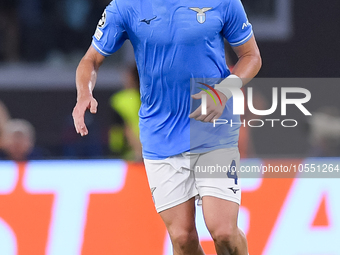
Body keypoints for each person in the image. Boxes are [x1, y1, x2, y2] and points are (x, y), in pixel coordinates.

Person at [73, 0, 261, 254]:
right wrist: (84, 93)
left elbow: (251, 56)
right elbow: (91, 60)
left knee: (224, 232)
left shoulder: (223, 2)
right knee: (183, 238)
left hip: (212, 128)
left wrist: (223, 93)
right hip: (160, 133)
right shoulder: (125, 7)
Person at [108, 64, 142, 161]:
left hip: (130, 154)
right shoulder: (156, 98)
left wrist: (115, 149)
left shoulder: (119, 100)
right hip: (156, 153)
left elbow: (121, 128)